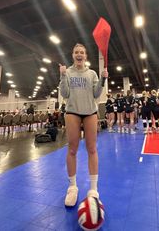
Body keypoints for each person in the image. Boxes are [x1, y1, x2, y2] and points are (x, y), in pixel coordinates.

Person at [59, 43, 108, 207]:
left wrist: (103, 79)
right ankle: (72, 187)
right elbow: (65, 94)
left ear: (85, 56)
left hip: (90, 112)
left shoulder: (92, 73)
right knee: (72, 149)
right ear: (73, 55)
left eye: (82, 52)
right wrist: (62, 76)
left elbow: (96, 94)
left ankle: (93, 190)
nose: (79, 54)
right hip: (72, 111)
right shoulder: (68, 72)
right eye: (76, 52)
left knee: (92, 149)